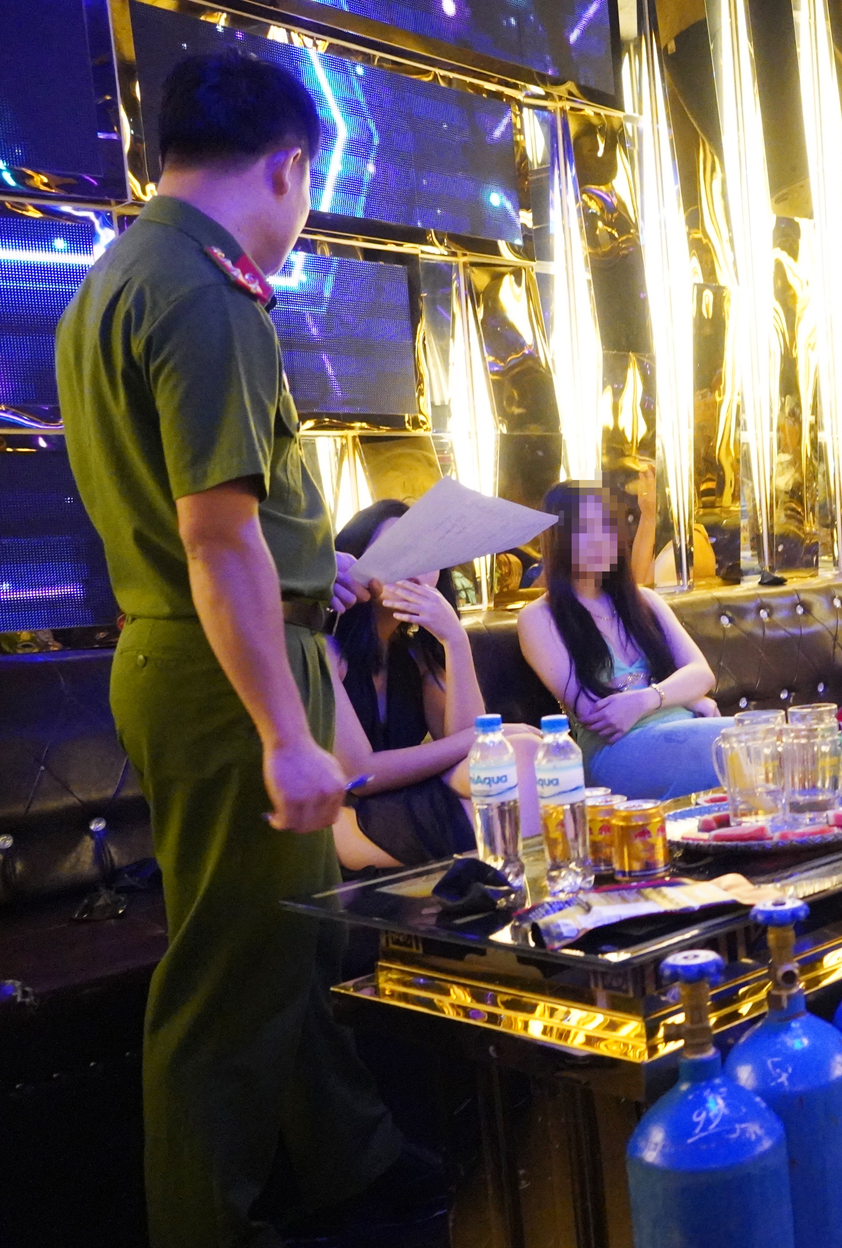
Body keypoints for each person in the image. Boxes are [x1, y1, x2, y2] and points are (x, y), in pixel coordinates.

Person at [57, 51, 438, 1248]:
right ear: (288, 166)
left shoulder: (121, 275)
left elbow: (217, 524)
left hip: (193, 654)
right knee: (229, 978)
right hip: (229, 675)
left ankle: (354, 1164)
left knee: (283, 941)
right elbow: (215, 540)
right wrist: (284, 731)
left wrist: (328, 568)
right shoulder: (207, 292)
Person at [326, 499, 539, 871]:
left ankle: (516, 886)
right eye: (397, 549)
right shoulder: (328, 650)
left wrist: (455, 641)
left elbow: (470, 751)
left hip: (401, 799)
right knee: (517, 751)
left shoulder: (413, 654)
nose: (414, 565)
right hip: (345, 817)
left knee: (518, 754)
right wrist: (482, 736)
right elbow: (358, 775)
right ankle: (524, 886)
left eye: (427, 552)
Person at [518, 481, 727, 798]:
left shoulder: (645, 601)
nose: (601, 540)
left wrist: (648, 698)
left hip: (683, 733)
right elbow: (597, 713)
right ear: (559, 538)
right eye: (585, 529)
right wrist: (686, 696)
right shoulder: (539, 617)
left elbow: (702, 673)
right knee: (741, 740)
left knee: (753, 741)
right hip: (615, 752)